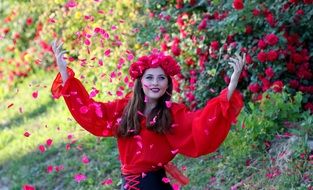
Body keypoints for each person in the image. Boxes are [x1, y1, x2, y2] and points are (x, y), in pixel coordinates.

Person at [51, 39, 245, 190]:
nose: (155, 83)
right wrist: (64, 74)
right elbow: (91, 112)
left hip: (154, 184)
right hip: (128, 183)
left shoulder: (173, 113)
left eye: (161, 78)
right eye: (149, 77)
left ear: (167, 84)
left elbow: (201, 122)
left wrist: (230, 88)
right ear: (140, 82)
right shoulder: (123, 109)